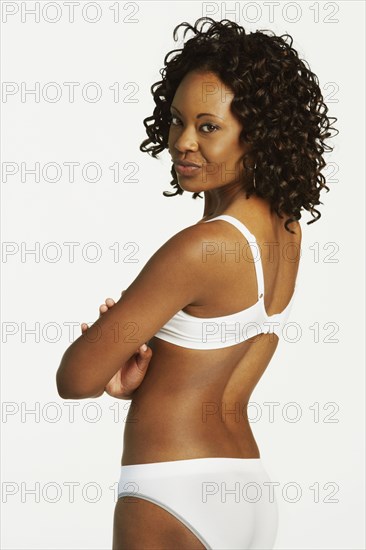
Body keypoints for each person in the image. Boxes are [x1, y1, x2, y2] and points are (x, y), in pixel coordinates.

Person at [56, 17, 338, 550]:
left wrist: (106, 356)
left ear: (258, 132)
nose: (183, 142)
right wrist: (138, 372)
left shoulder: (202, 246)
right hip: (246, 490)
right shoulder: (286, 230)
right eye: (177, 121)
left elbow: (74, 378)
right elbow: (214, 358)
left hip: (171, 490)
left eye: (208, 127)